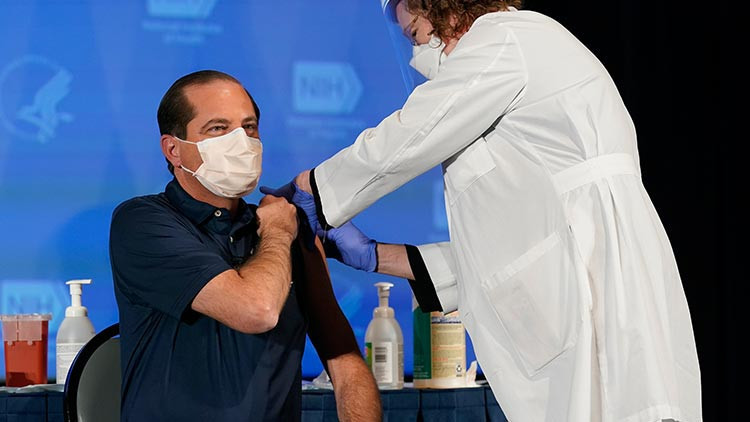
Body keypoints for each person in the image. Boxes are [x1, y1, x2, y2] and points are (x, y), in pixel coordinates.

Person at [263, 1, 702, 421]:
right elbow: (505, 254)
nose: (417, 56)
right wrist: (376, 255)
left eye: (415, 35)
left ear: (441, 5)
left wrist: (314, 188)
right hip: (578, 284)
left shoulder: (506, 39)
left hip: (600, 290)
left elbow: (412, 133)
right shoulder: (510, 94)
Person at [109, 70, 380, 421]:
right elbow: (257, 310)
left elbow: (345, 364)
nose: (241, 141)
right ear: (173, 149)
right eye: (218, 128)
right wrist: (278, 231)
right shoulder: (143, 222)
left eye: (249, 128)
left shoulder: (288, 227)